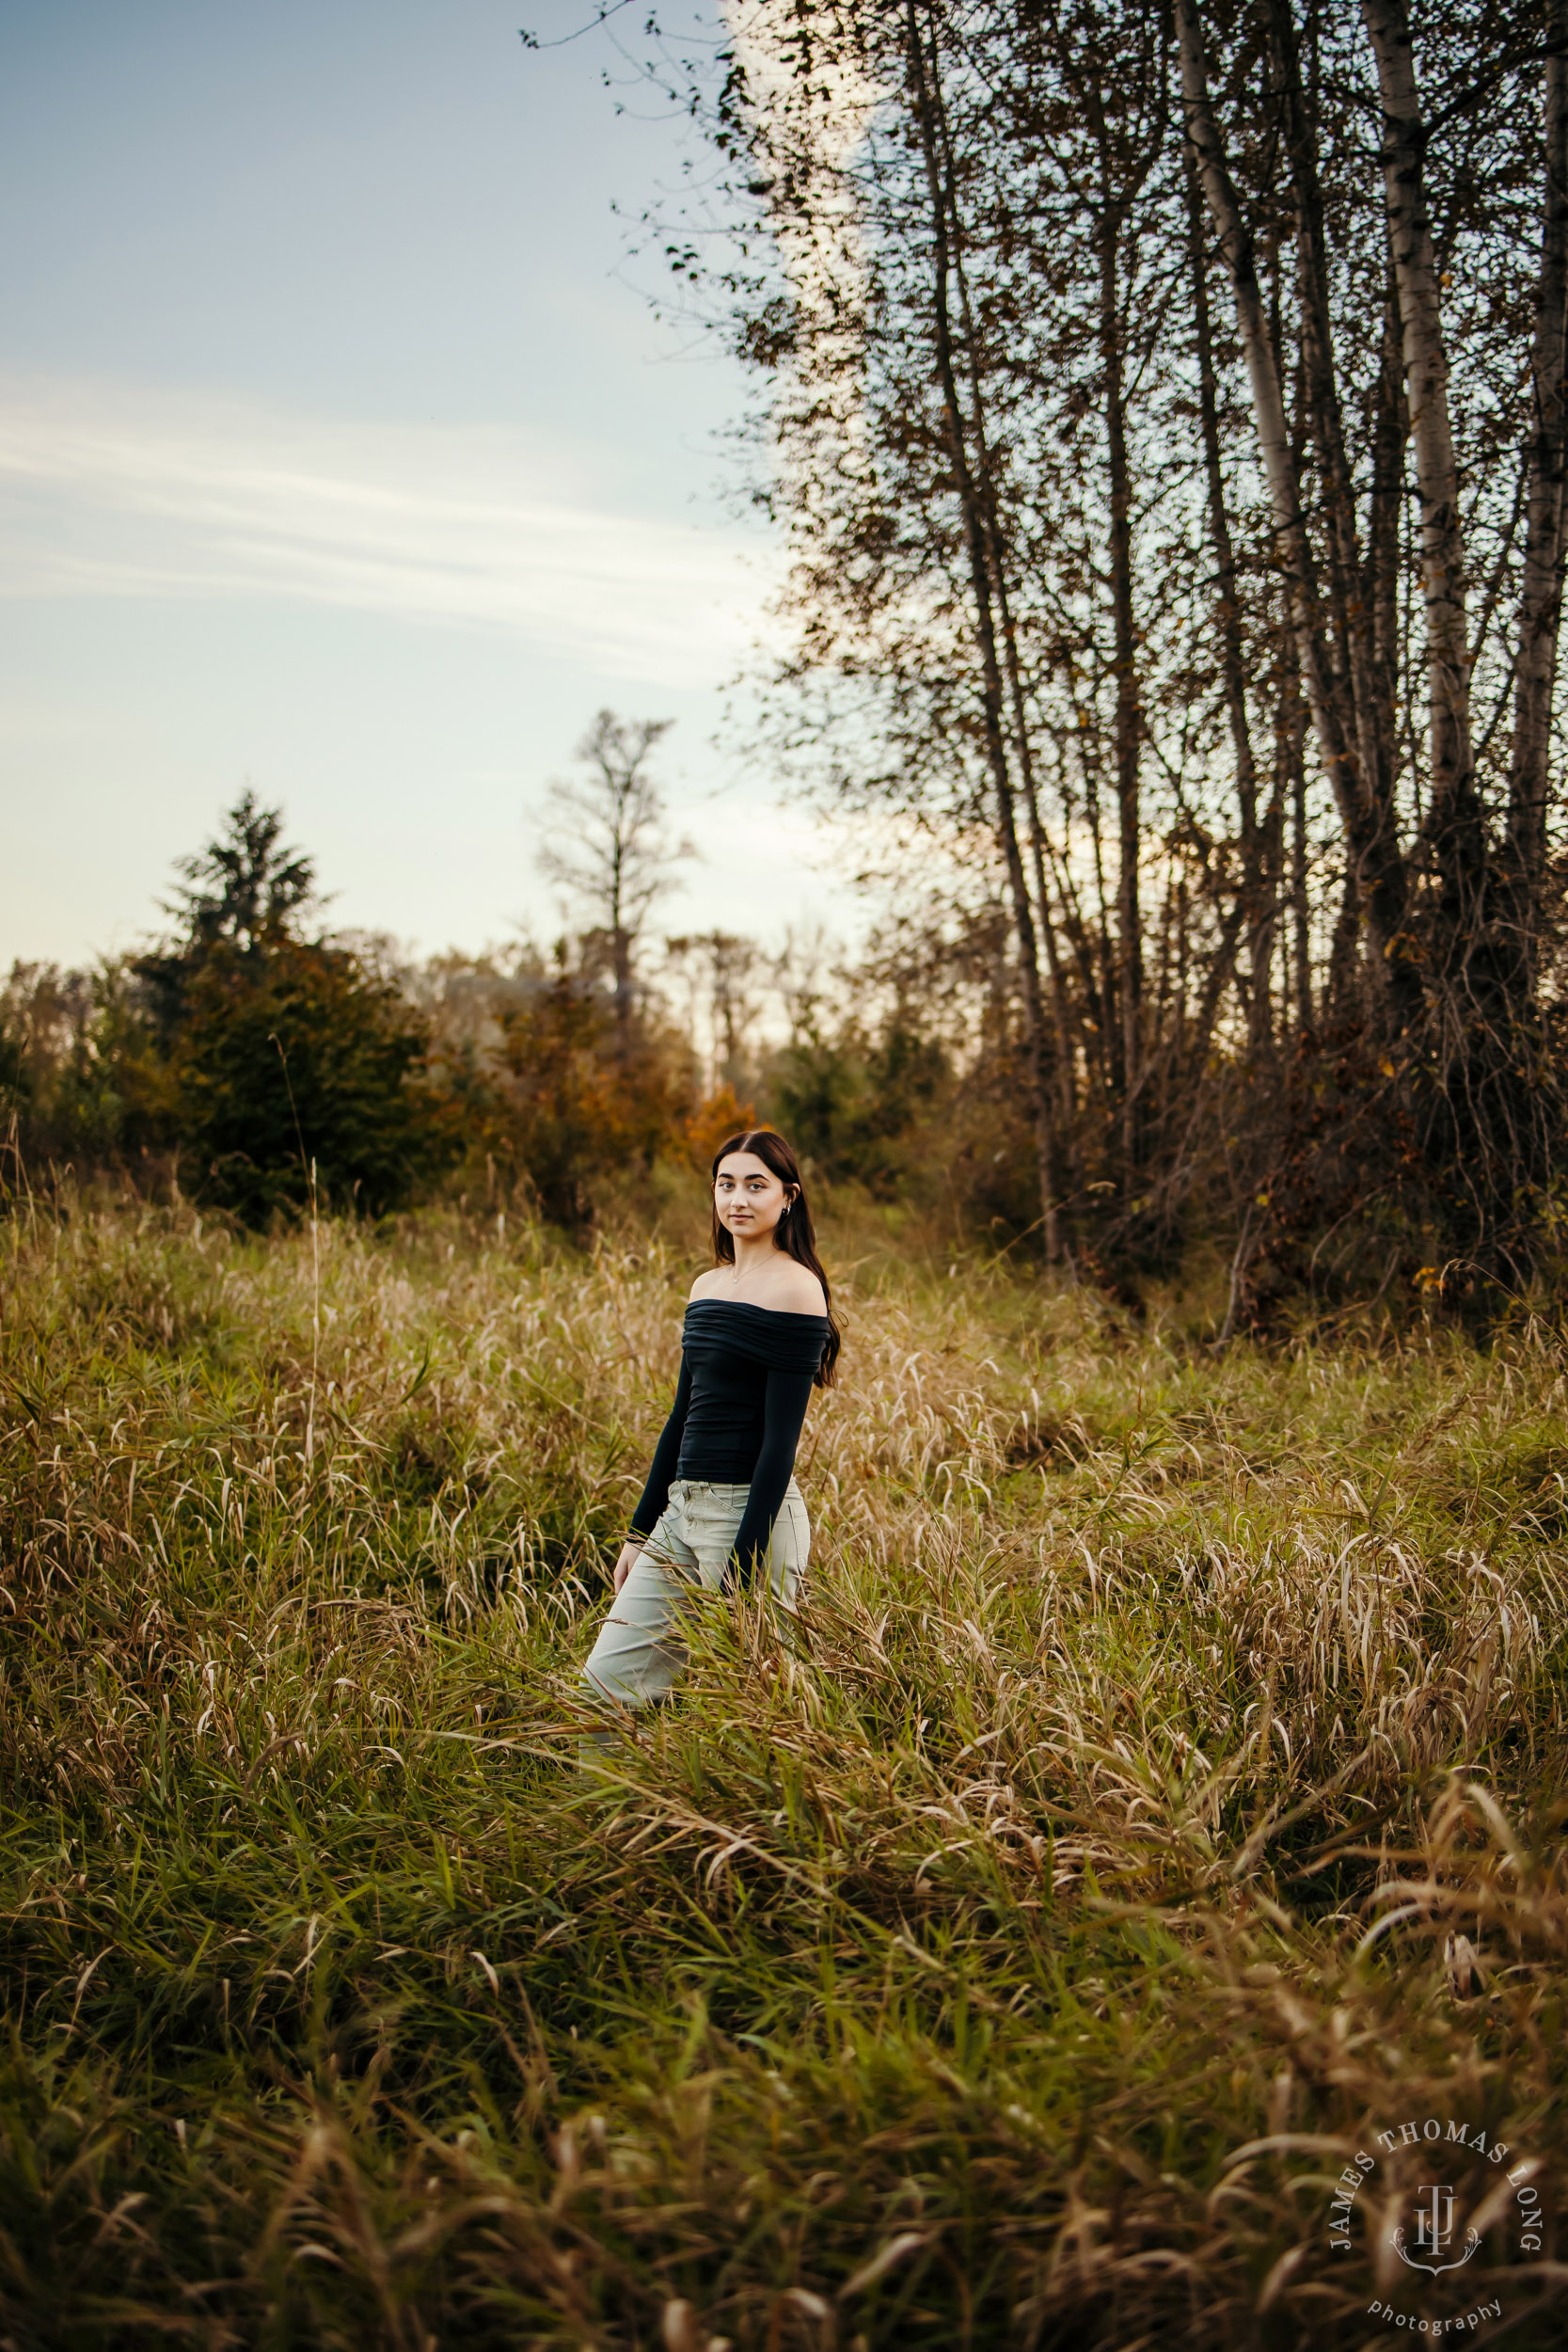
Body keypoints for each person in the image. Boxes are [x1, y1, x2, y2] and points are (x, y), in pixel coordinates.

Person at [580, 1128, 840, 1739]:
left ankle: (778, 1826)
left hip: (750, 1517)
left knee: (757, 1707)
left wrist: (743, 1565)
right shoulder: (706, 1287)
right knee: (605, 1686)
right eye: (726, 1184)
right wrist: (640, 1532)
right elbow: (680, 1419)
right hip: (681, 1510)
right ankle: (618, 1820)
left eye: (756, 1185)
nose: (738, 1199)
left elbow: (780, 1443)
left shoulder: (797, 1288)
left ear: (788, 1197)